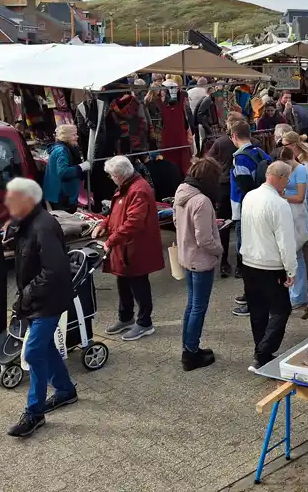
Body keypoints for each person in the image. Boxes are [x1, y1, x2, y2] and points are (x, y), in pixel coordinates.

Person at [5, 178, 76, 438]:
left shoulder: (43, 226)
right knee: (44, 347)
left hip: (48, 299)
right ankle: (65, 390)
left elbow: (54, 270)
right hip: (36, 298)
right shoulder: (27, 223)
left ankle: (34, 413)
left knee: (34, 352)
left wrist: (26, 295)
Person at [93, 155, 164, 341]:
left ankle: (145, 323)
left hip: (136, 247)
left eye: (111, 175)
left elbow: (134, 222)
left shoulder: (138, 190)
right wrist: (104, 224)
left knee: (138, 284)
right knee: (123, 282)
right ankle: (126, 318)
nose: (110, 179)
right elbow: (116, 213)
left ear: (118, 175)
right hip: (125, 247)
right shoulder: (127, 186)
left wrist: (111, 239)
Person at [240, 162, 296, 368]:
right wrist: (291, 269)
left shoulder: (249, 196)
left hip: (248, 261)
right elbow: (286, 241)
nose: (287, 184)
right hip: (271, 265)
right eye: (287, 180)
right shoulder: (280, 204)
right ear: (280, 178)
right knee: (282, 309)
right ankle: (263, 352)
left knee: (258, 309)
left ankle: (260, 348)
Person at [173, 158, 223, 371]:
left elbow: (178, 221)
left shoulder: (182, 191)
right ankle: (191, 353)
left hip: (186, 256)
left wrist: (210, 223)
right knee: (198, 307)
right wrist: (219, 250)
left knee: (192, 304)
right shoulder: (202, 201)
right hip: (201, 259)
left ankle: (188, 347)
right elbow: (205, 240)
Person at [229, 121, 273, 316]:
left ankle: (252, 299)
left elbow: (244, 186)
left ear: (234, 137)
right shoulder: (260, 152)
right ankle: (252, 295)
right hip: (260, 207)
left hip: (244, 211)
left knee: (246, 256)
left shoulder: (239, 159)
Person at [204, 111, 246, 278]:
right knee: (241, 225)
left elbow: (208, 160)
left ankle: (224, 263)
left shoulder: (220, 142)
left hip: (223, 186)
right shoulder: (252, 142)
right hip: (240, 187)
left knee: (224, 224)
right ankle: (240, 264)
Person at [278, 142, 308, 309]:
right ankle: (295, 293)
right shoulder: (288, 168)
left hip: (297, 212)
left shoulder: (300, 170)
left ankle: (298, 295)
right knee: (290, 253)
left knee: (297, 252)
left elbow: (300, 197)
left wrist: (282, 196)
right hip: (287, 211)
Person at [43, 124, 91, 213]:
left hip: (60, 195)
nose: (77, 137)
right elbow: (63, 173)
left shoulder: (60, 148)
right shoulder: (62, 150)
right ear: (66, 136)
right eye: (74, 134)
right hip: (62, 197)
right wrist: (81, 167)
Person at [159, 80, 193, 175]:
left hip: (179, 141)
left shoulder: (181, 101)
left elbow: (186, 121)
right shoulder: (158, 104)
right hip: (169, 143)